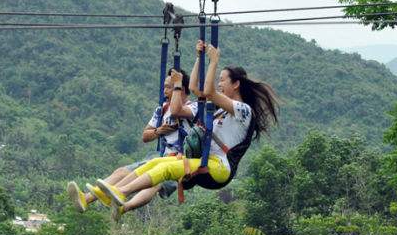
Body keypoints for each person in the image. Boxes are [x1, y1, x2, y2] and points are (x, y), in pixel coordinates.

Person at [98, 40, 279, 221]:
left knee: (166, 168)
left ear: (236, 84)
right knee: (156, 163)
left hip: (219, 168)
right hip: (206, 162)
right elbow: (195, 88)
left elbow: (208, 91)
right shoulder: (221, 109)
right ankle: (117, 195)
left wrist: (214, 60)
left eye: (222, 80)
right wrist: (199, 58)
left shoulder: (244, 111)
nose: (219, 84)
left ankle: (121, 192)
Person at [66, 68, 197, 213]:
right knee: (122, 171)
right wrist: (158, 131)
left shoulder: (192, 108)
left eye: (169, 87)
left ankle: (123, 206)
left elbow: (178, 110)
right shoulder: (162, 109)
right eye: (164, 87)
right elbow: (145, 136)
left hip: (180, 160)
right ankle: (86, 199)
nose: (165, 91)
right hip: (161, 156)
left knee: (155, 183)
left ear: (181, 89)